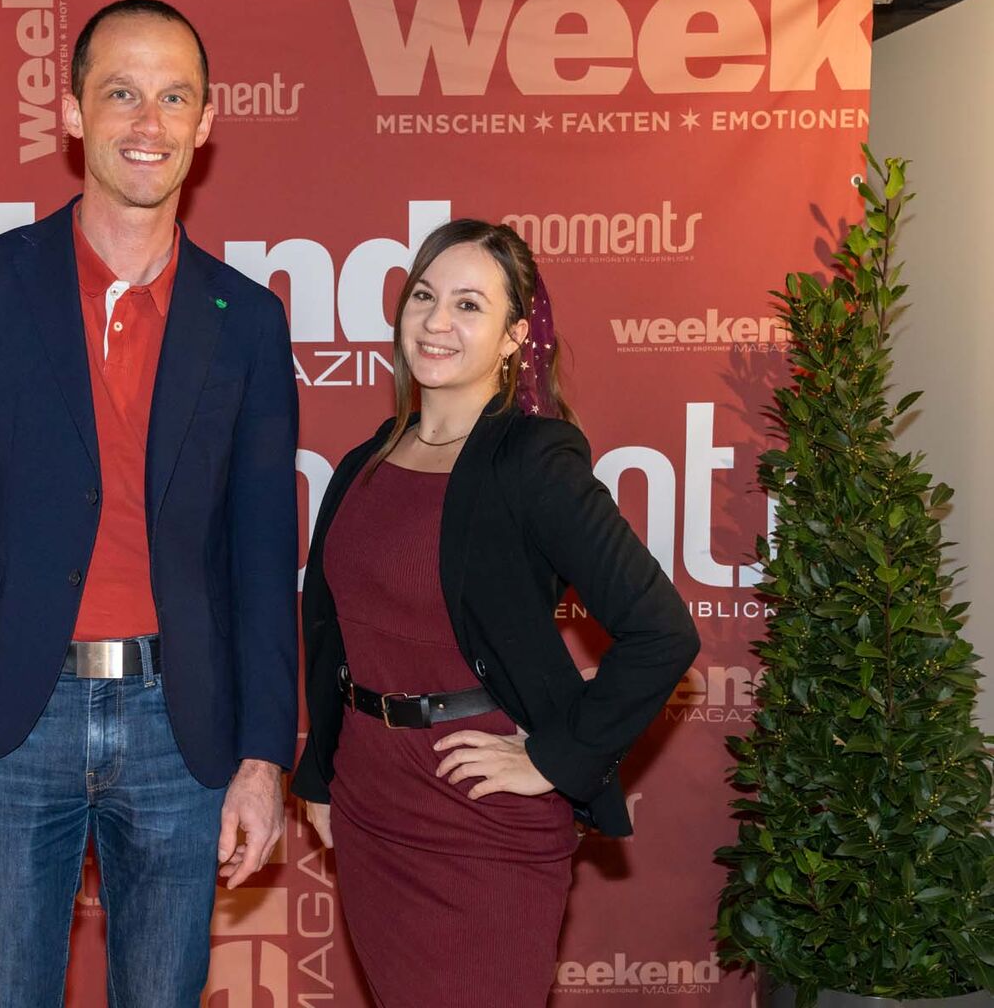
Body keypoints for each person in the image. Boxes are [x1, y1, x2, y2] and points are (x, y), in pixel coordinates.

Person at [0, 0, 299, 1008]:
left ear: (206, 123)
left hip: (180, 728)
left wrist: (263, 757)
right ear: (73, 114)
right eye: (121, 94)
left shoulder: (247, 321)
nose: (148, 123)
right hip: (12, 719)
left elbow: (261, 557)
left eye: (173, 98)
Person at [290, 219, 699, 1007]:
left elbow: (662, 631)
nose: (436, 321)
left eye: (469, 305)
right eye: (424, 296)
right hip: (371, 804)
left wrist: (553, 758)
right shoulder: (368, 459)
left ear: (515, 337)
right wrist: (321, 772)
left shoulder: (534, 461)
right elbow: (333, 631)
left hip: (481, 818)